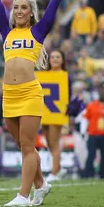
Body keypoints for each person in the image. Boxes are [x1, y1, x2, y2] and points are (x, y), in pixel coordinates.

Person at [0, 0, 70, 207]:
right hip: (9, 95)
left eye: (24, 7)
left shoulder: (38, 31)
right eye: (16, 7)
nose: (19, 11)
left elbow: (54, 5)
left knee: (28, 145)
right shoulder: (6, 31)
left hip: (30, 93)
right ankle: (41, 185)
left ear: (31, 12)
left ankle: (23, 196)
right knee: (23, 146)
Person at [41, 51, 68, 181]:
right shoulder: (44, 75)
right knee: (49, 143)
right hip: (45, 111)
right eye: (52, 57)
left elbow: (68, 97)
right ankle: (59, 168)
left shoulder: (65, 76)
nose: (55, 59)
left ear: (62, 60)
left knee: (54, 143)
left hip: (56, 112)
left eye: (58, 57)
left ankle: (53, 172)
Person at [81, 85, 104, 179]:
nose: (103, 94)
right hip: (92, 134)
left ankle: (103, 174)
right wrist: (83, 131)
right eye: (101, 92)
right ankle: (88, 173)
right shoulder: (91, 106)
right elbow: (85, 119)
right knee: (91, 155)